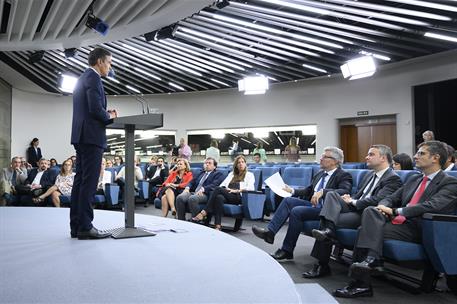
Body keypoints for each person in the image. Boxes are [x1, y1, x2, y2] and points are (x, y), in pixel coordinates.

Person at [333, 140, 457, 298]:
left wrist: (394, 211)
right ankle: (372, 262)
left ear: (435, 158)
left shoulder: (450, 182)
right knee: (371, 212)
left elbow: (430, 206)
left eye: (421, 153)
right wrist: (382, 207)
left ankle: (362, 282)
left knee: (364, 230)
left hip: (421, 228)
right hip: (399, 225)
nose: (415, 156)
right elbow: (391, 198)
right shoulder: (414, 179)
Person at [304, 145, 402, 279]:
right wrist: (351, 198)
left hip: (367, 214)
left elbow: (378, 200)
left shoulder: (392, 178)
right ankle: (328, 232)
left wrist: (354, 202)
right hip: (355, 208)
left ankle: (322, 264)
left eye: (371, 154)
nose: (366, 157)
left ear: (383, 158)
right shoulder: (369, 175)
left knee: (327, 222)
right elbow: (359, 194)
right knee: (332, 195)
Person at [251, 147, 352, 259]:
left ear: (335, 161)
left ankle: (287, 250)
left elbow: (344, 191)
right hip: (313, 206)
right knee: (288, 200)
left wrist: (323, 192)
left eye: (324, 157)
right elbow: (309, 190)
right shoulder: (320, 174)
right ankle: (270, 233)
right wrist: (292, 190)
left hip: (326, 210)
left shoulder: (343, 175)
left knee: (296, 211)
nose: (321, 158)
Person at [70, 47, 117, 240]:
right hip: (91, 137)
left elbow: (91, 107)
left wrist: (105, 112)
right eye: (109, 62)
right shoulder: (93, 78)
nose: (110, 66)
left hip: (82, 136)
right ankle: (86, 226)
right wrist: (109, 116)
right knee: (88, 183)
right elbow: (95, 109)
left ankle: (77, 226)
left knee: (80, 182)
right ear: (99, 61)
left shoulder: (83, 77)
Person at [192, 155, 255, 230]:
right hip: (228, 194)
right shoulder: (232, 174)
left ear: (245, 164)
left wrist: (237, 190)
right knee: (219, 198)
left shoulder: (250, 175)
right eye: (238, 163)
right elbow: (222, 185)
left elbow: (251, 188)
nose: (241, 164)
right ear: (236, 165)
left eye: (242, 162)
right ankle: (217, 226)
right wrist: (227, 189)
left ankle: (204, 212)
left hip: (239, 196)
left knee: (217, 189)